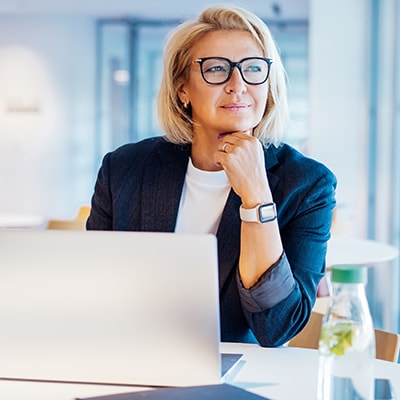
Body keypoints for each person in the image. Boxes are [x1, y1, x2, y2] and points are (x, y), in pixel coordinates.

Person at [87, 5, 336, 347]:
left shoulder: (308, 184)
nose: (238, 85)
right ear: (182, 90)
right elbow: (92, 289)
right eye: (217, 69)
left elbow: (277, 327)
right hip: (130, 357)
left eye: (252, 69)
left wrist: (256, 198)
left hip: (237, 374)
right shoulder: (124, 168)